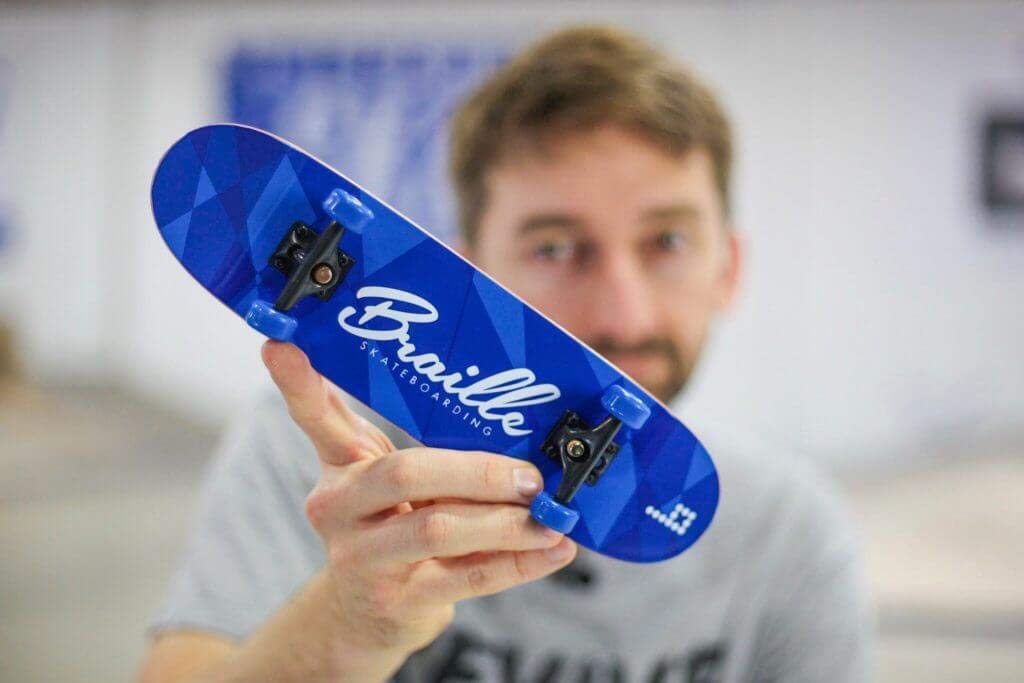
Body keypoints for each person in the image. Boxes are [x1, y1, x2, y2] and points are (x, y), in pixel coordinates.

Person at [138, 25, 872, 683]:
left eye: (667, 241)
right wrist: (347, 627)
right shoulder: (319, 456)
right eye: (555, 247)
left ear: (729, 268)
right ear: (470, 272)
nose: (624, 310)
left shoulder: (787, 533)